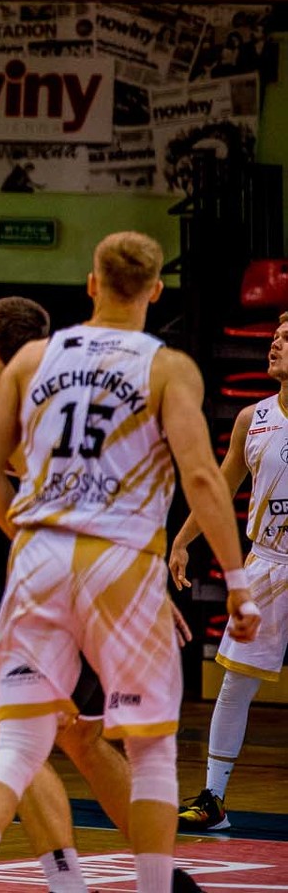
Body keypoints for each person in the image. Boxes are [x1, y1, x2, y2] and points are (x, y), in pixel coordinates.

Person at [0, 233, 260, 893]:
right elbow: (199, 476)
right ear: (156, 289)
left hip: (43, 561)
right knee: (132, 747)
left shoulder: (33, 366)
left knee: (21, 744)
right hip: (122, 568)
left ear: (91, 284)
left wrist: (28, 534)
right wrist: (234, 582)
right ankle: (153, 881)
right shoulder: (164, 367)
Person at [0, 297, 202, 893]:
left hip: (61, 591)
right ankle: (164, 875)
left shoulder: (20, 409)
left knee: (16, 742)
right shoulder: (73, 396)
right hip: (110, 583)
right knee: (81, 735)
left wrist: (41, 550)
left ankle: (66, 883)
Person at [169, 312, 288, 833]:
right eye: (275, 337)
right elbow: (219, 488)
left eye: (287, 339)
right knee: (234, 685)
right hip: (268, 563)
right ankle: (213, 800)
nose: (274, 344)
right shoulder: (251, 419)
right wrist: (183, 539)